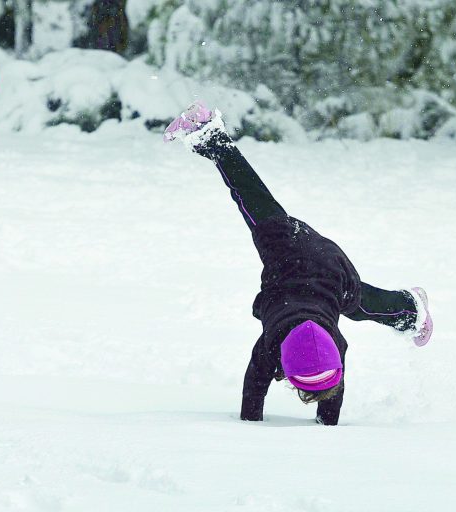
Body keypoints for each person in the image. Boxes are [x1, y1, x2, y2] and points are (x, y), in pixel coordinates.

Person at [164, 102, 433, 425]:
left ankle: (410, 310)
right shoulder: (274, 348)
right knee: (358, 302)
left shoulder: (304, 350)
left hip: (299, 258)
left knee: (253, 197)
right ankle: (409, 310)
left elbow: (272, 391)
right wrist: (320, 425)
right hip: (319, 266)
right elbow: (255, 389)